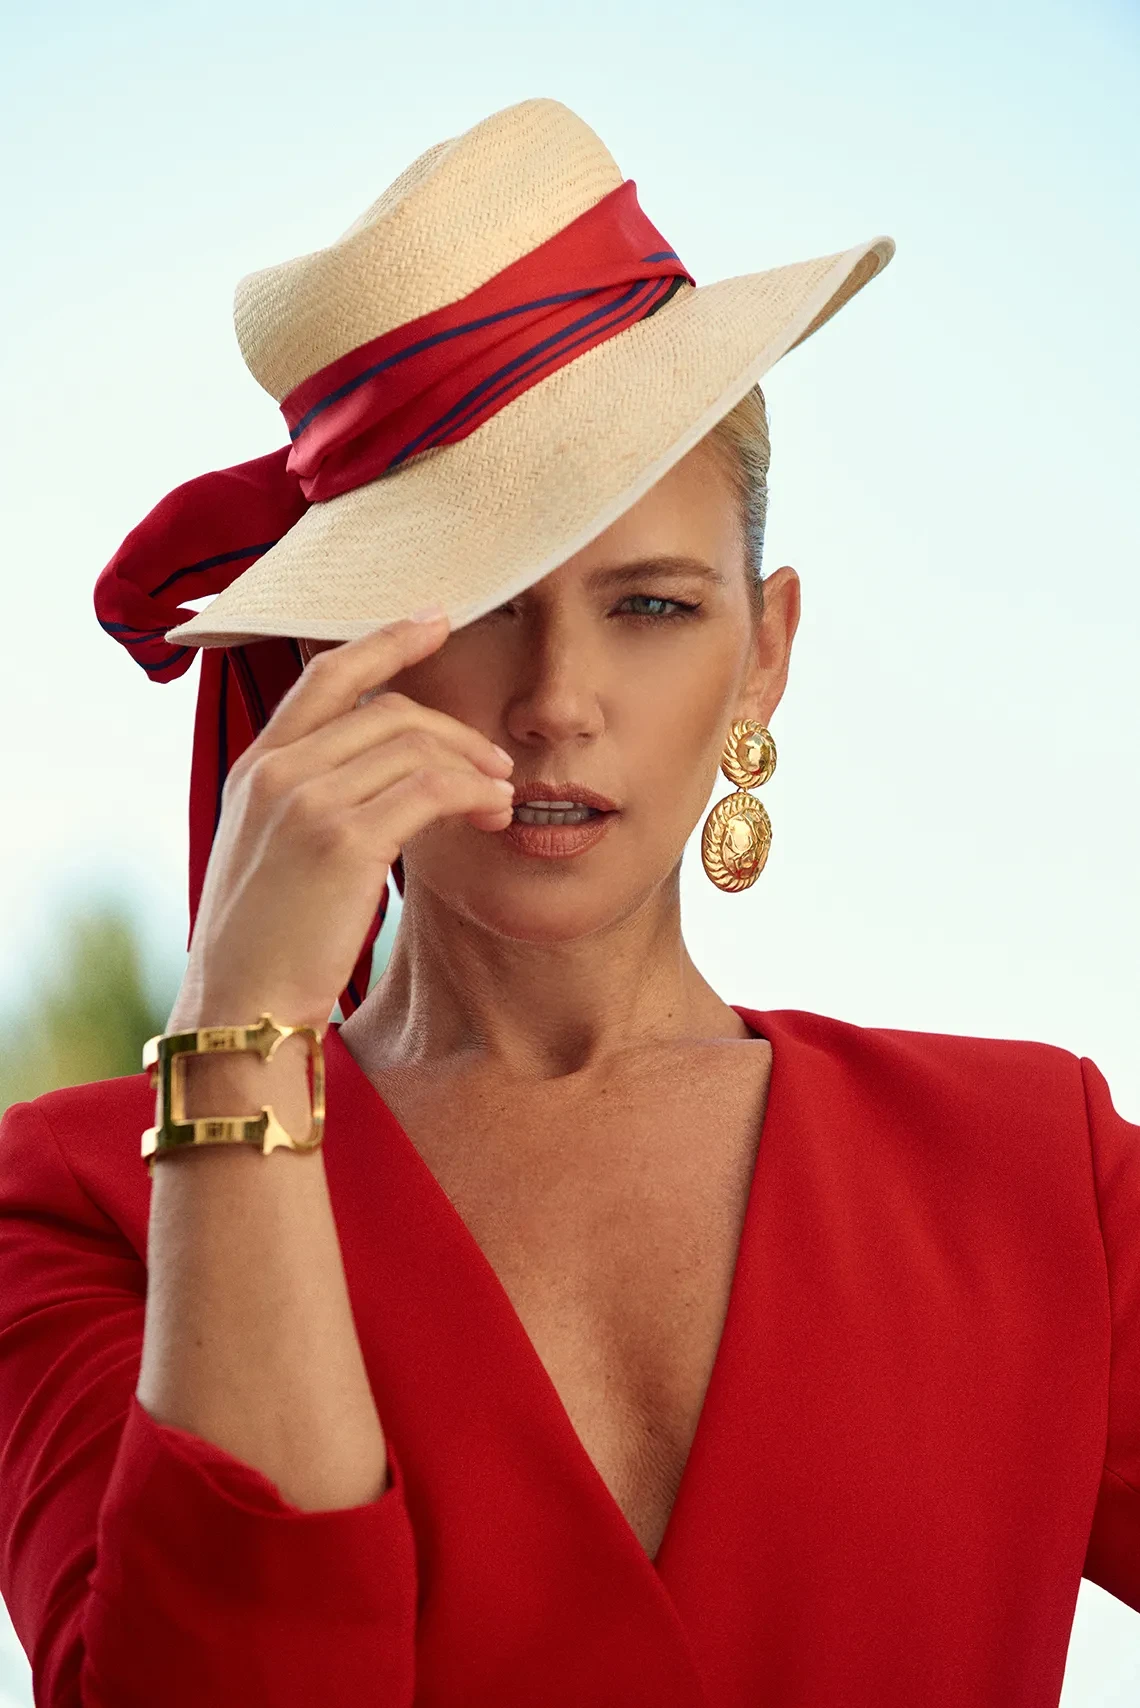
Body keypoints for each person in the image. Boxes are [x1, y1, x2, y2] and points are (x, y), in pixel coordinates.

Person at [0, 96, 1135, 1708]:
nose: (554, 702)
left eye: (651, 606)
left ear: (765, 653)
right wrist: (239, 1032)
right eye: (475, 608)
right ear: (332, 659)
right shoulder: (76, 1203)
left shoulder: (1041, 1170)